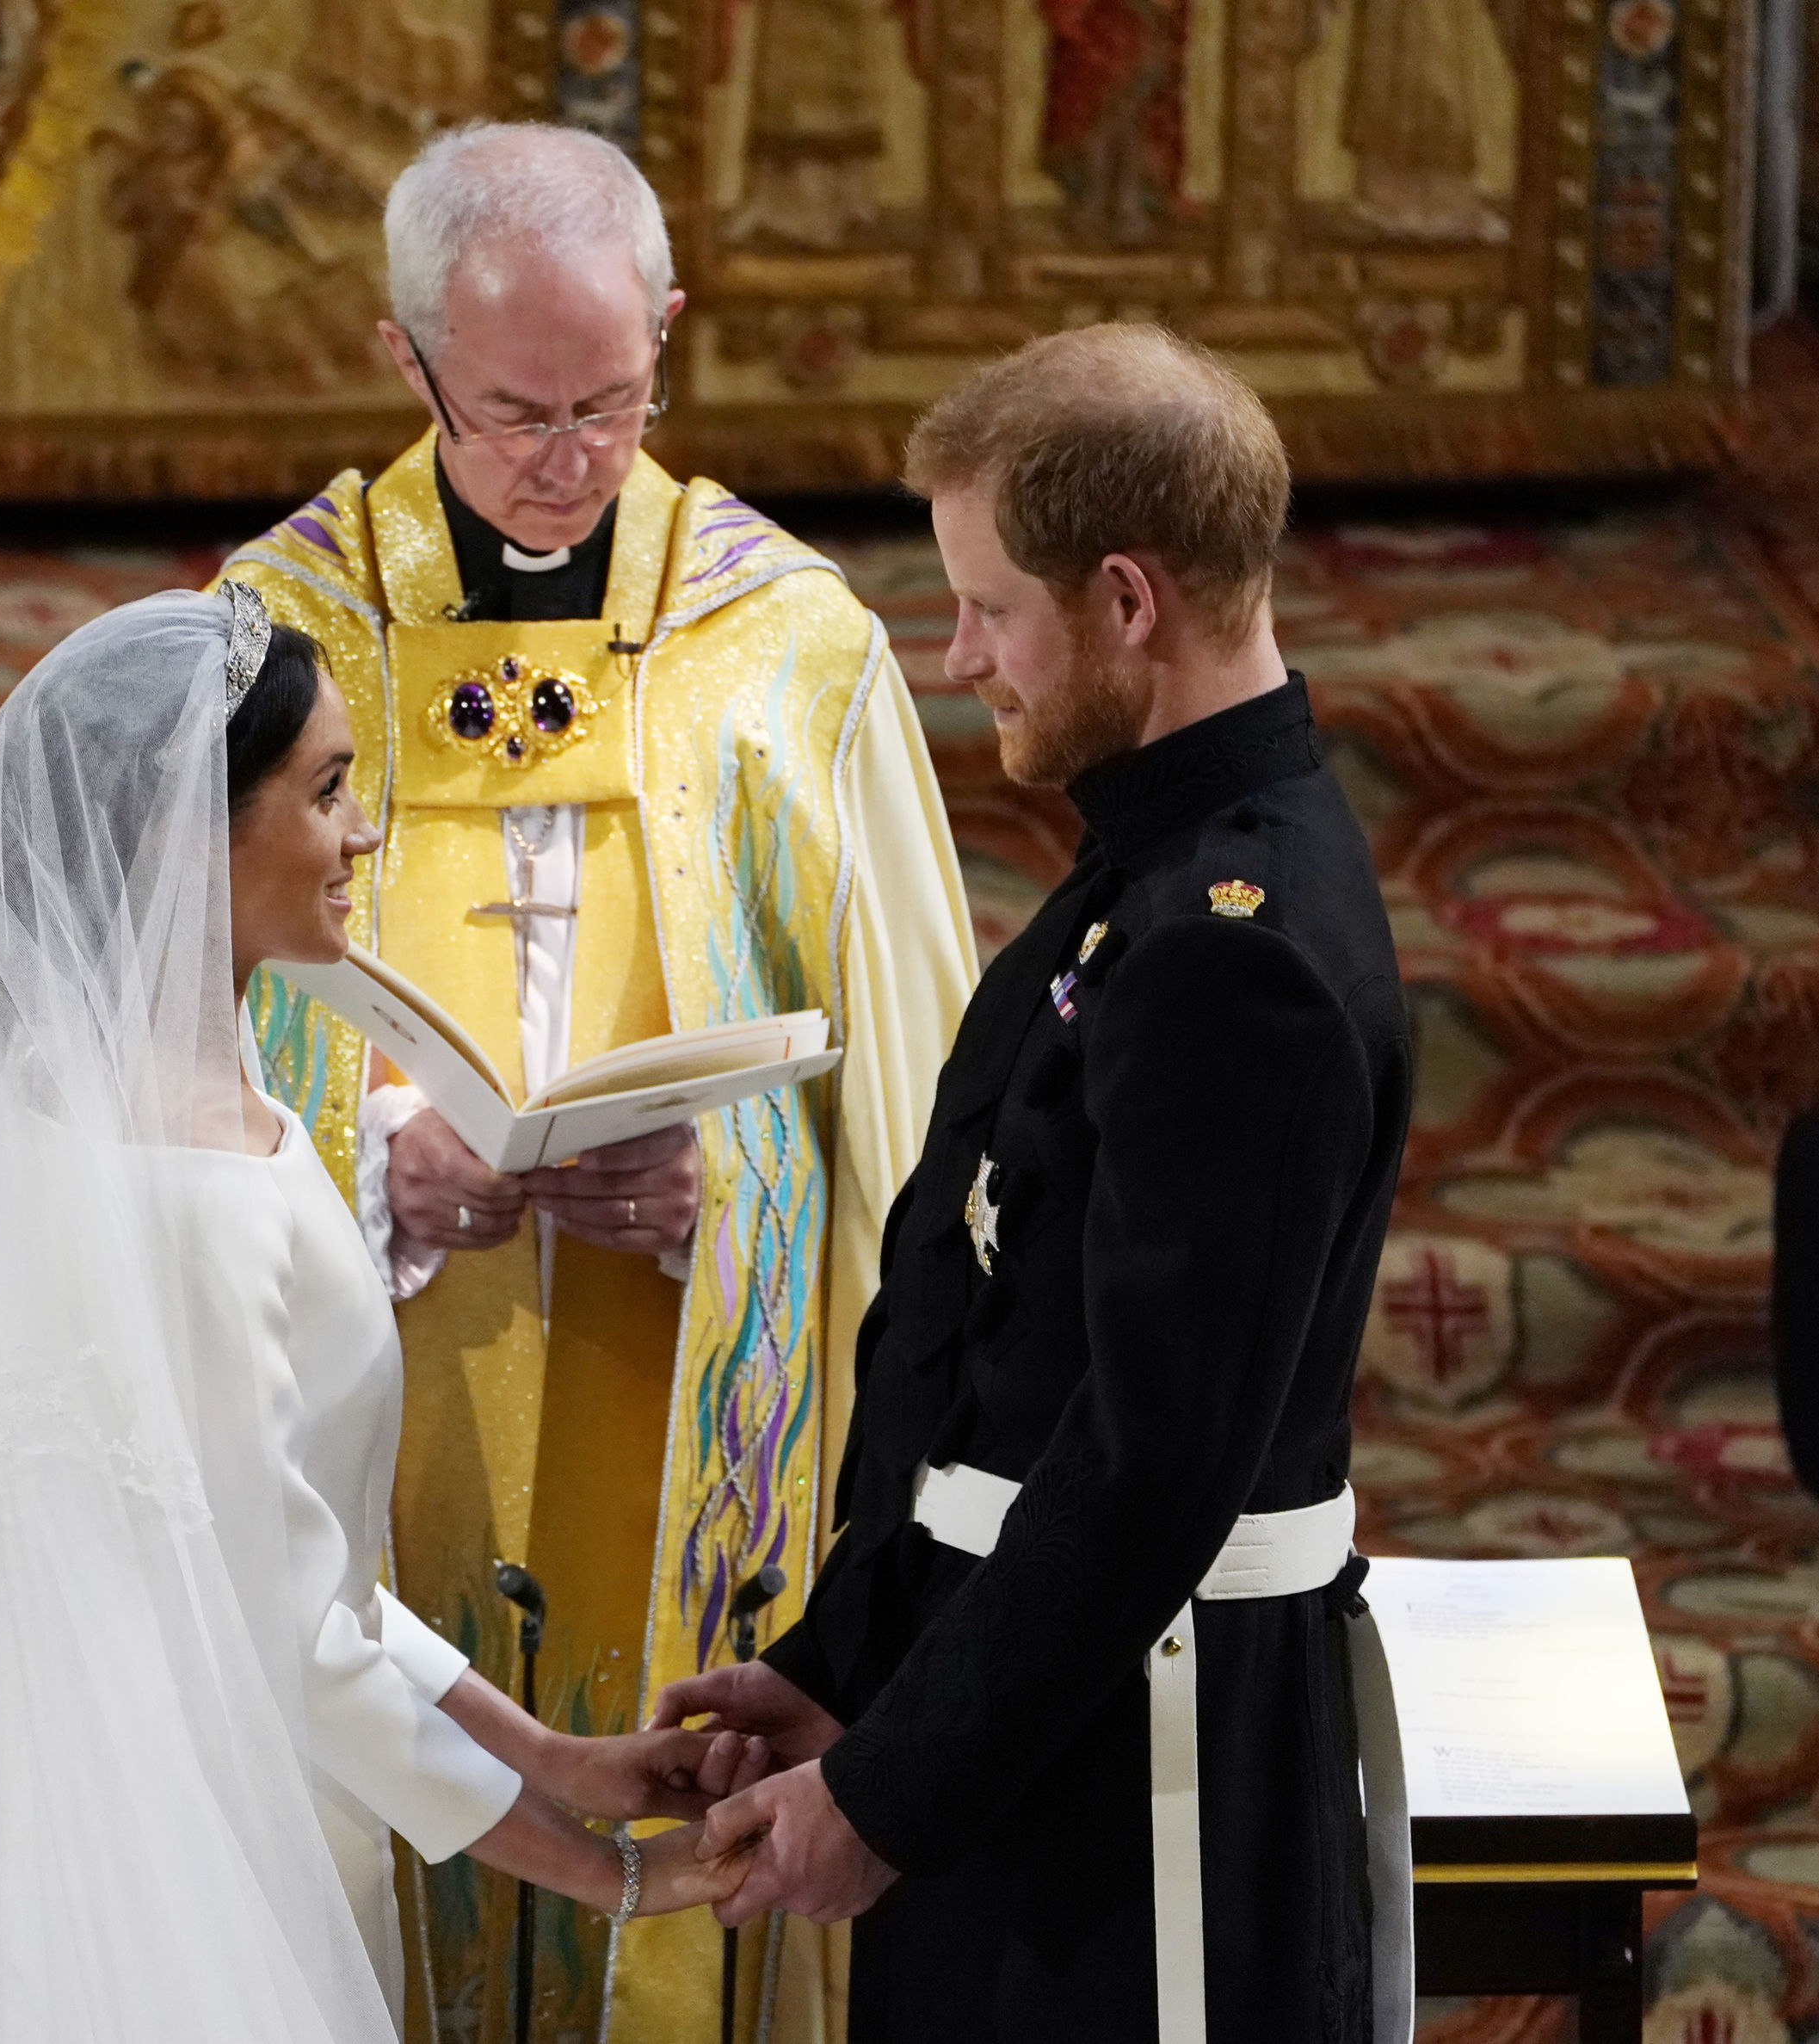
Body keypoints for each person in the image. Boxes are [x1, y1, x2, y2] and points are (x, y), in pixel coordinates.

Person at [221, 121, 977, 2034]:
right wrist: (361, 1170)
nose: (570, 457)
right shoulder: (279, 632)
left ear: (669, 330)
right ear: (405, 367)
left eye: (612, 399)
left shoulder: (786, 646)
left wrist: (742, 1197)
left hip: (695, 1384)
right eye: (513, 413)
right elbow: (153, 1041)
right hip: (401, 1379)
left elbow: (923, 1099)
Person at [0, 589, 745, 2044]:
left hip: (220, 1795)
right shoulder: (183, 1183)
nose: (367, 835)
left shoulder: (163, 1091)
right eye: (329, 792)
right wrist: (609, 1876)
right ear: (194, 839)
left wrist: (558, 1754)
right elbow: (295, 1651)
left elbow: (300, 1566)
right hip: (202, 1858)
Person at [656, 324, 1419, 2043]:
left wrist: (887, 1795)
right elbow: (990, 1361)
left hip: (1142, 1767)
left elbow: (1149, 1469)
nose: (961, 656)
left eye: (990, 608)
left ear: (1127, 603)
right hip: (1036, 1711)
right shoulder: (1150, 875)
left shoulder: (1238, 954)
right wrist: (838, 1665)